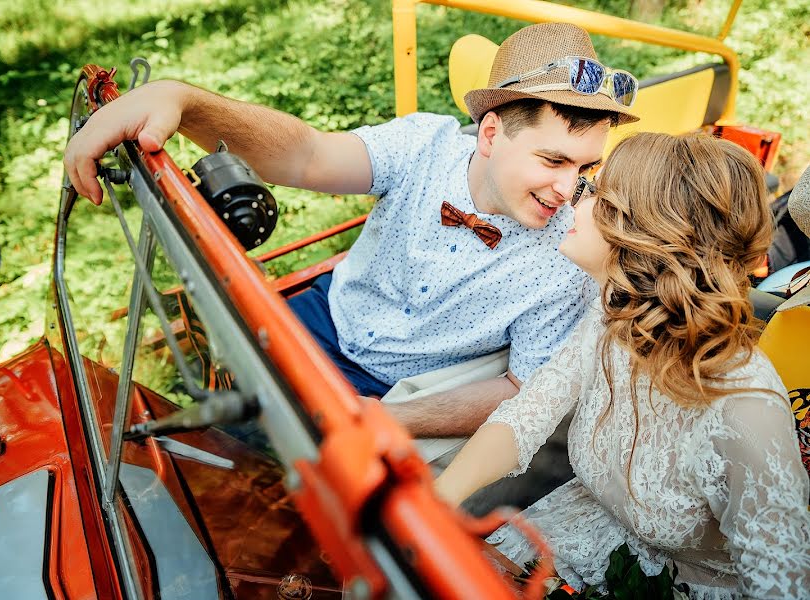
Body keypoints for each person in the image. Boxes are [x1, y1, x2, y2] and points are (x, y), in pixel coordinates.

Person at [64, 23, 639, 436]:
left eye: (586, 167)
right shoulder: (424, 144)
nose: (570, 191)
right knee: (200, 436)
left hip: (407, 394)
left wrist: (384, 419)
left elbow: (522, 387)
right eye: (554, 161)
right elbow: (307, 156)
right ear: (490, 134)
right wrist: (180, 100)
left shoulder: (573, 255)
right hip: (323, 317)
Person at [434, 132, 810, 598]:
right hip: (573, 533)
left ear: (646, 235)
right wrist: (435, 502)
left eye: (597, 192)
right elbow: (526, 416)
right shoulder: (614, 312)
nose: (575, 196)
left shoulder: (747, 412)